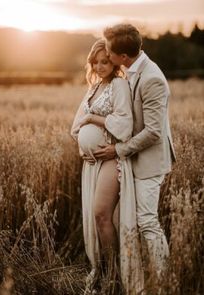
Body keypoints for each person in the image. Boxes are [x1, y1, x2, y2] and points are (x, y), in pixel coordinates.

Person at [91, 24, 176, 282]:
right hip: (132, 160)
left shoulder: (152, 79)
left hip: (149, 162)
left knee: (148, 222)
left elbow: (153, 132)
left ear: (123, 57)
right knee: (133, 221)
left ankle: (163, 280)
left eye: (109, 52)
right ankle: (133, 274)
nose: (105, 54)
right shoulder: (132, 70)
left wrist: (118, 149)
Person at [71, 39, 144, 294]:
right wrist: (83, 147)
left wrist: (93, 118)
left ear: (113, 62)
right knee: (96, 218)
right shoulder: (94, 87)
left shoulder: (119, 85)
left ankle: (115, 277)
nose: (100, 66)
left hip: (112, 158)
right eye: (96, 62)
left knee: (102, 213)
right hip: (93, 163)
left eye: (105, 61)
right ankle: (103, 271)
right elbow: (76, 125)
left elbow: (124, 125)